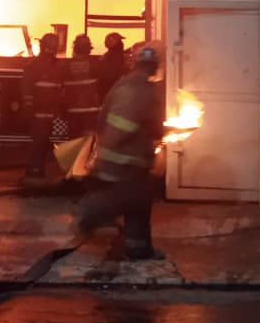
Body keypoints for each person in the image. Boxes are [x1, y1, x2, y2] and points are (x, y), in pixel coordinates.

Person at [74, 46, 165, 261]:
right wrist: (102, 159)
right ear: (154, 67)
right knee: (129, 200)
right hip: (124, 162)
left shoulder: (129, 84)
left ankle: (138, 248)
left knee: (140, 204)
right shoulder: (138, 91)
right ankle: (89, 215)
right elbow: (120, 127)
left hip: (128, 162)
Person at [21, 32, 65, 186]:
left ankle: (37, 171)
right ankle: (34, 172)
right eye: (53, 46)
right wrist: (29, 109)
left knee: (43, 142)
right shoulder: (35, 66)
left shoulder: (55, 66)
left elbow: (58, 89)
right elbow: (27, 90)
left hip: (48, 114)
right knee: (38, 143)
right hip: (39, 114)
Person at [63, 33, 100, 139]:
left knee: (74, 144)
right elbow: (110, 75)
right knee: (88, 145)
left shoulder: (65, 66)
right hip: (90, 113)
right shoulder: (95, 64)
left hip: (73, 112)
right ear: (89, 48)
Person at [97, 31, 129, 99]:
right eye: (119, 41)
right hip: (113, 89)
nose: (122, 43)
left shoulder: (108, 55)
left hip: (108, 89)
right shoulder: (116, 56)